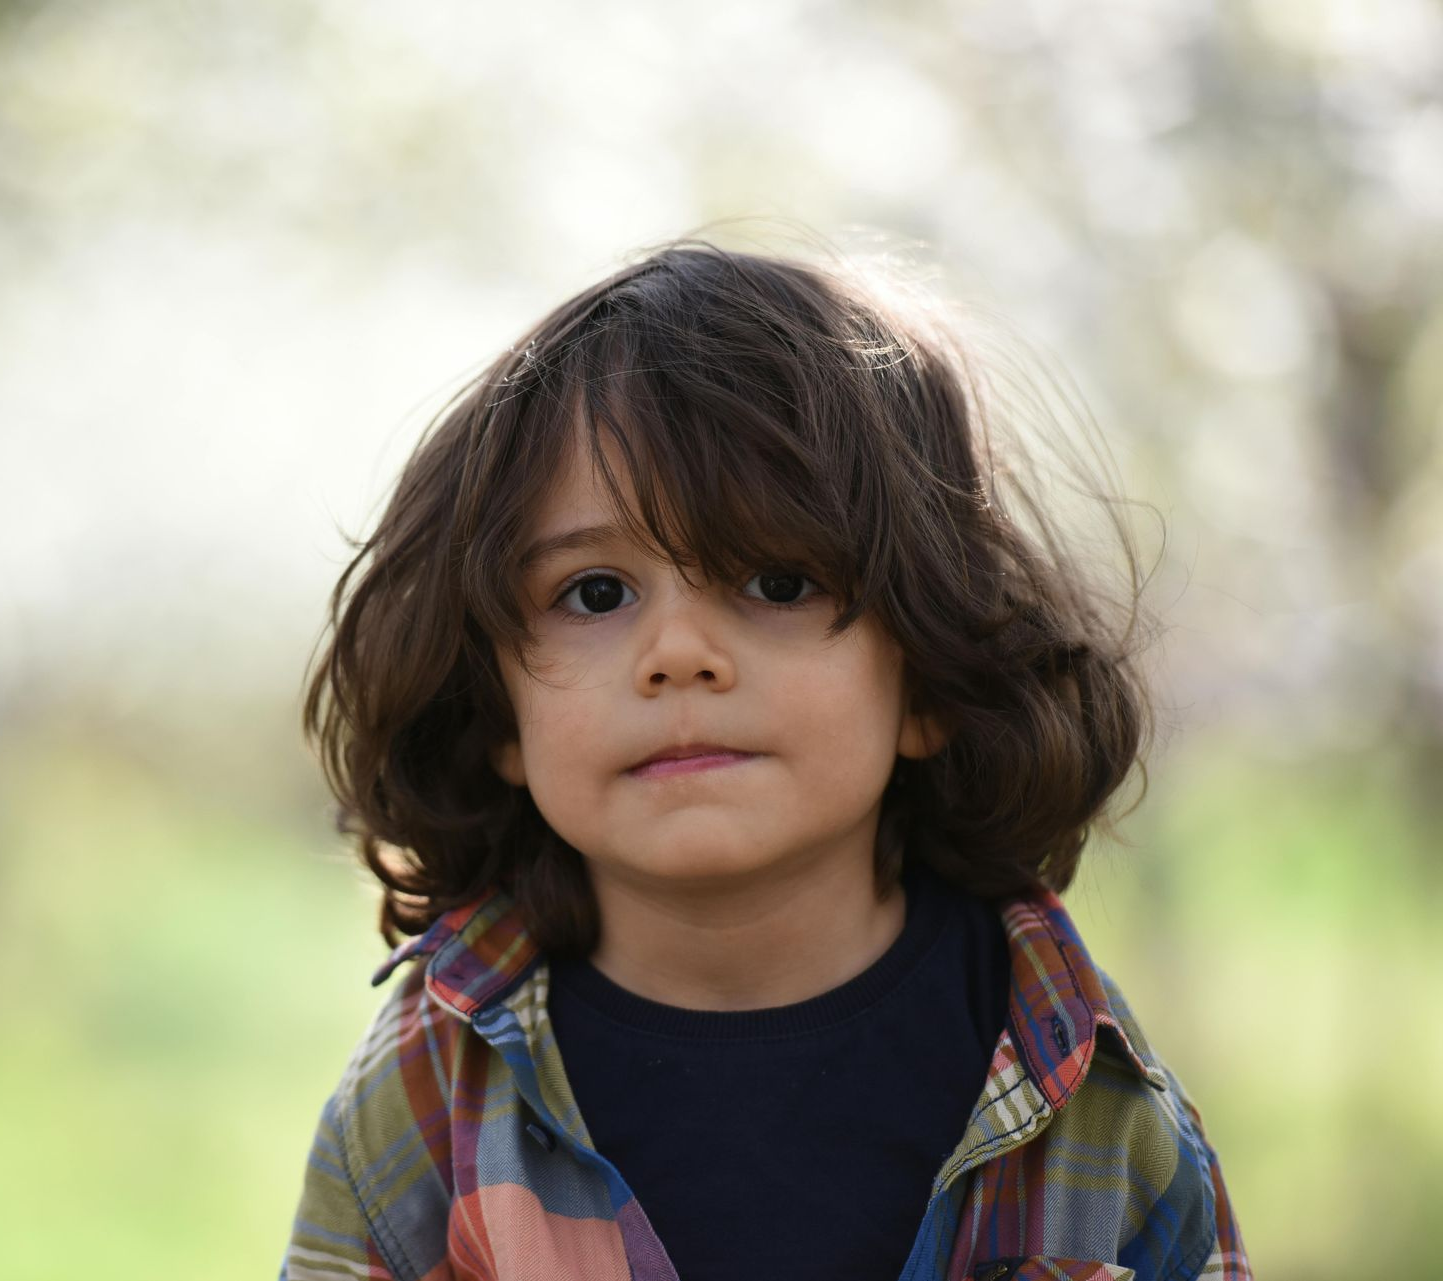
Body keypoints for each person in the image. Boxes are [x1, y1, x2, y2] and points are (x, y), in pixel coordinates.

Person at [280, 237, 1251, 1281]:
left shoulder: (1093, 1092)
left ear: (926, 675)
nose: (680, 654)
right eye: (595, 594)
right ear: (498, 717)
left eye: (778, 582)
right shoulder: (422, 1107)